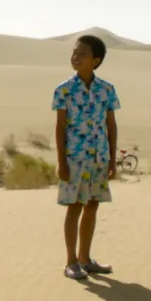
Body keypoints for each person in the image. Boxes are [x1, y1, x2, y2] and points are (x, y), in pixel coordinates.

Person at [53, 34, 120, 279]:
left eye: (82, 53)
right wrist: (61, 162)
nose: (75, 57)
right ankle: (71, 262)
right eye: (74, 52)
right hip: (74, 158)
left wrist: (112, 159)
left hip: (98, 157)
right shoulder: (64, 90)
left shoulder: (107, 90)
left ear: (96, 60)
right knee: (75, 206)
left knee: (92, 205)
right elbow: (60, 127)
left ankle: (85, 258)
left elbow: (111, 125)